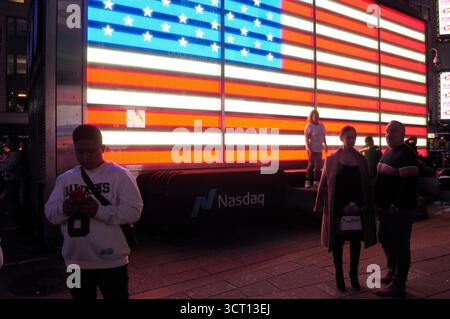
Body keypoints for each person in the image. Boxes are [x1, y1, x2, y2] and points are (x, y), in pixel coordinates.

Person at [45, 125, 144, 299]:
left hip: (113, 262)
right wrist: (63, 209)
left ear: (102, 149)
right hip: (74, 263)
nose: (84, 157)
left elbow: (134, 211)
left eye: (90, 151)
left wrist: (99, 211)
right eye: (79, 152)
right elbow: (50, 213)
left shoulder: (120, 175)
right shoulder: (65, 179)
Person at [314, 126, 377, 291]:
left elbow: (366, 186)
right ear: (341, 138)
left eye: (353, 137)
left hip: (357, 207)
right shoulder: (331, 159)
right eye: (348, 137)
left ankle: (353, 275)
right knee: (337, 244)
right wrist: (322, 206)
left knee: (356, 243)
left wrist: (360, 205)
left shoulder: (361, 159)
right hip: (338, 208)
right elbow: (324, 185)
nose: (351, 140)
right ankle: (339, 276)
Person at [375, 121, 418, 298]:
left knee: (400, 244)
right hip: (385, 209)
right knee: (384, 238)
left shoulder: (407, 154)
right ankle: (392, 271)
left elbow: (409, 184)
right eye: (386, 131)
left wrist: (396, 206)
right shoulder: (388, 153)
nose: (388, 134)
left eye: (393, 132)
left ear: (402, 134)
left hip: (398, 210)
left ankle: (399, 284)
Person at [0, 137, 23, 230]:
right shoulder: (12, 154)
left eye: (8, 142)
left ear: (13, 144)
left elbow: (9, 167)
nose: (7, 144)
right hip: (10, 181)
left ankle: (13, 223)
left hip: (13, 181)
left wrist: (2, 164)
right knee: (10, 200)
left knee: (12, 201)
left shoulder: (16, 155)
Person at [304, 110, 327, 188]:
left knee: (318, 165)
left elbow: (323, 136)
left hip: (319, 148)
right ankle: (307, 181)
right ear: (312, 117)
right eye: (315, 115)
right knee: (311, 164)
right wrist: (309, 149)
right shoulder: (309, 126)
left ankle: (316, 181)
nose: (316, 117)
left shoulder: (321, 126)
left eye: (317, 115)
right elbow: (306, 139)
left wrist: (325, 145)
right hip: (311, 148)